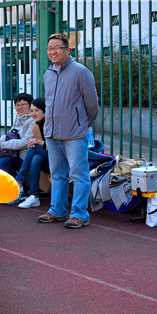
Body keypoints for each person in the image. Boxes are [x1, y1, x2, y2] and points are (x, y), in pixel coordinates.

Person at [38, 33, 99, 228]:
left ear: (68, 50)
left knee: (79, 175)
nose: (53, 52)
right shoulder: (48, 74)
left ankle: (79, 214)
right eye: (50, 48)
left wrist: (88, 120)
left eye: (57, 48)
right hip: (52, 133)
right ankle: (57, 210)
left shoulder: (80, 72)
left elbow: (92, 101)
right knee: (57, 175)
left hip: (74, 133)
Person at [0, 93, 34, 178]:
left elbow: (24, 142)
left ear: (30, 106)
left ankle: (17, 182)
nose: (20, 107)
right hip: (12, 152)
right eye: (17, 105)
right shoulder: (18, 118)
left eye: (23, 104)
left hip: (23, 156)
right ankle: (1, 183)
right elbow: (9, 133)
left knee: (2, 162)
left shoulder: (32, 121)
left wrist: (4, 144)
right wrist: (1, 140)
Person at [16, 97, 49, 209]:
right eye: (31, 111)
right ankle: (34, 196)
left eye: (37, 110)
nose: (33, 114)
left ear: (45, 110)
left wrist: (38, 142)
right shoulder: (36, 125)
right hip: (46, 157)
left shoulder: (51, 125)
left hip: (58, 159)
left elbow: (56, 148)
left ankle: (19, 179)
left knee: (33, 148)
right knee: (36, 159)